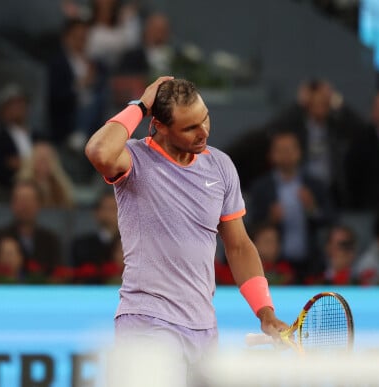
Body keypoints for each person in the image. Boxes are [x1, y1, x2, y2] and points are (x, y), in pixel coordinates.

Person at [85, 76, 287, 385]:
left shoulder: (221, 166)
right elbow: (99, 151)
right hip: (147, 322)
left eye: (204, 118)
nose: (203, 131)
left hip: (203, 330)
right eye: (190, 127)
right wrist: (141, 104)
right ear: (160, 126)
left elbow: (239, 246)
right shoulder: (134, 159)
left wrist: (264, 311)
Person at [248, 130, 333, 281]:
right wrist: (270, 220)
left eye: (290, 149)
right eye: (280, 150)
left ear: (299, 152)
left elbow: (330, 219)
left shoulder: (315, 185)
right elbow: (252, 225)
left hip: (310, 265)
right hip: (275, 266)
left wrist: (313, 210)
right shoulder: (261, 187)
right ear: (271, 155)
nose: (286, 154)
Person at [47, 18, 106, 148]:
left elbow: (103, 86)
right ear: (66, 38)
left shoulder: (94, 63)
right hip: (70, 114)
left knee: (100, 97)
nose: (81, 41)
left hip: (95, 112)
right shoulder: (58, 64)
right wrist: (80, 85)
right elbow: (56, 95)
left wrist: (94, 81)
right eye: (77, 37)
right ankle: (80, 133)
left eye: (84, 37)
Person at [0, 181, 63, 274]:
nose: (24, 206)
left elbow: (58, 274)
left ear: (39, 204)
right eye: (20, 201)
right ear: (12, 204)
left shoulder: (50, 239)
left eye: (28, 200)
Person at [15, 141, 75, 209]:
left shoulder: (61, 186)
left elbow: (68, 206)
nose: (43, 164)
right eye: (40, 160)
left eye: (47, 160)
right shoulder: (24, 186)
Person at [71, 190, 119, 269]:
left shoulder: (133, 243)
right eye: (107, 208)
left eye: (115, 208)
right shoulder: (82, 245)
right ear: (96, 213)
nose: (111, 214)